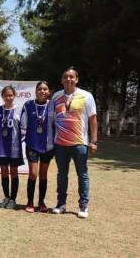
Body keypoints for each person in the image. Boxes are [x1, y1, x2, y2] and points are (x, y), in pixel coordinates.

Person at [52, 67, 97, 219]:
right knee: (62, 175)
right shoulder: (56, 96)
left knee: (82, 175)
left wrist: (94, 141)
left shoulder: (86, 96)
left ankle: (83, 207)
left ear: (77, 79)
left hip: (80, 143)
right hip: (60, 144)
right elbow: (52, 119)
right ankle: (61, 204)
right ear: (62, 80)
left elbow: (93, 119)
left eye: (72, 77)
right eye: (66, 77)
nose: (69, 79)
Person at [21, 81, 55, 213]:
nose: (42, 91)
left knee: (43, 174)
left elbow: (57, 124)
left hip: (47, 146)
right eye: (40, 89)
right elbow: (23, 124)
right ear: (36, 91)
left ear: (49, 92)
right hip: (32, 145)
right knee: (33, 174)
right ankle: (29, 202)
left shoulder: (52, 105)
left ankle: (41, 202)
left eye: (45, 89)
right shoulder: (28, 105)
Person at [0, 85, 23, 210]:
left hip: (14, 147)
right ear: (2, 97)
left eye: (11, 95)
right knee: (4, 172)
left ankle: (13, 199)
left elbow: (23, 128)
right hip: (1, 146)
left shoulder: (19, 110)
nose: (9, 97)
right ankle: (6, 197)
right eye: (6, 95)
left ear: (14, 96)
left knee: (14, 172)